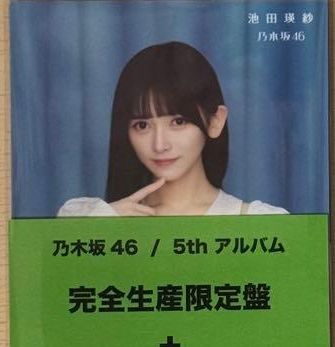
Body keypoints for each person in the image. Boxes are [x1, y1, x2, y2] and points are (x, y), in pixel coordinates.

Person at [58, 41, 287, 218]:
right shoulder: (90, 218)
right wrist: (103, 221)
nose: (160, 145)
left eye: (178, 122)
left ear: (215, 121)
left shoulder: (261, 221)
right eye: (142, 125)